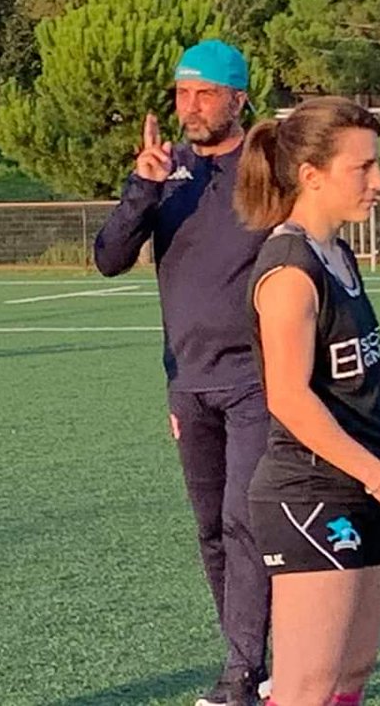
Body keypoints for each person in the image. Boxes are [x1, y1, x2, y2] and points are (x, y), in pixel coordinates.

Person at [233, 97, 380, 706]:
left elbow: (347, 390)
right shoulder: (289, 271)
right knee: (306, 688)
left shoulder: (338, 256)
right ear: (311, 174)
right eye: (362, 168)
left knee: (349, 678)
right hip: (308, 494)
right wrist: (378, 473)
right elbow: (289, 398)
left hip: (357, 486)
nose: (378, 180)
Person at [95, 39, 271, 706]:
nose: (190, 107)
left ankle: (242, 673)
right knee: (210, 529)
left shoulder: (268, 168)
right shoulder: (166, 174)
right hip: (190, 384)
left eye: (205, 93)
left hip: (260, 381)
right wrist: (142, 184)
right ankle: (249, 657)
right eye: (181, 93)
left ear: (238, 97)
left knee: (244, 523)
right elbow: (110, 257)